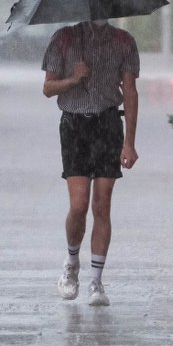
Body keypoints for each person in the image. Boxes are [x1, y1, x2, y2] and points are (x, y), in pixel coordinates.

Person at [42, 19, 140, 307]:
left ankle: (96, 281)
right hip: (74, 126)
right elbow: (48, 87)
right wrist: (73, 79)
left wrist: (130, 142)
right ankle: (72, 263)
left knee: (102, 204)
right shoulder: (64, 39)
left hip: (108, 123)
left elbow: (131, 91)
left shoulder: (123, 41)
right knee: (79, 204)